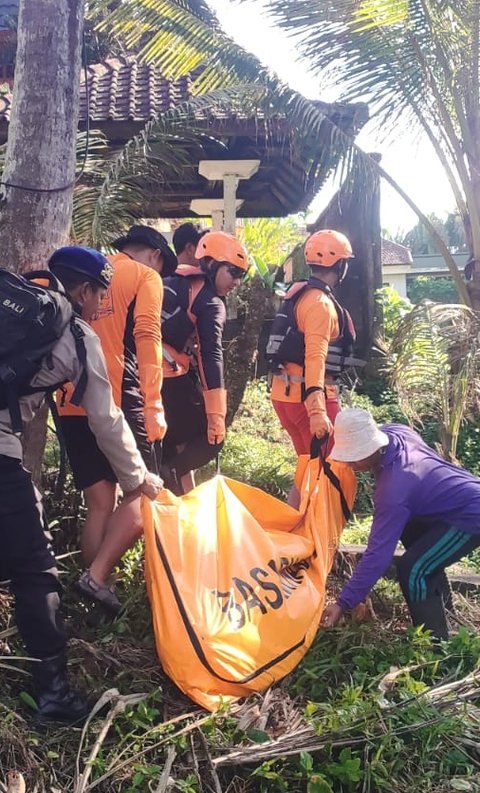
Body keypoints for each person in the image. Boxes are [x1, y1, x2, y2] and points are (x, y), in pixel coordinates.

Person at [0, 247, 162, 724]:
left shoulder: (15, 292)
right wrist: (138, 481)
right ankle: (52, 696)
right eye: (100, 294)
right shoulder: (75, 331)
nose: (100, 305)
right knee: (35, 568)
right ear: (85, 289)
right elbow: (106, 419)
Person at [56, 225, 177, 614]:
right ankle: (98, 576)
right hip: (118, 397)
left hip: (68, 398)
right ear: (155, 254)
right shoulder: (146, 277)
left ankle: (90, 590)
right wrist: (154, 401)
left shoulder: (86, 272)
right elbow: (147, 335)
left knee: (98, 501)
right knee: (143, 491)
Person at [322, 408, 480, 640]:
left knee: (414, 569)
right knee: (410, 529)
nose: (351, 464)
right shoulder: (396, 432)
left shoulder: (394, 491)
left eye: (355, 457)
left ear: (373, 448)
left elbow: (378, 555)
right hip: (455, 501)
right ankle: (445, 613)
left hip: (471, 515)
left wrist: (343, 602)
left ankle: (435, 644)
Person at [266, 228, 358, 506]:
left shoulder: (299, 295)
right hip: (310, 399)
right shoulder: (320, 304)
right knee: (330, 471)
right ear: (339, 265)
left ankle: (293, 532)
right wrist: (317, 411)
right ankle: (315, 539)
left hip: (285, 396)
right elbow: (315, 357)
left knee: (308, 466)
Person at [161, 230, 249, 495]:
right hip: (167, 375)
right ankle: (170, 473)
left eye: (241, 275)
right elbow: (211, 356)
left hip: (138, 373)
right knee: (212, 439)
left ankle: (179, 495)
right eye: (232, 272)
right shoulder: (210, 300)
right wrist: (216, 415)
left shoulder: (171, 279)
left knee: (176, 441)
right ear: (211, 264)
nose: (236, 281)